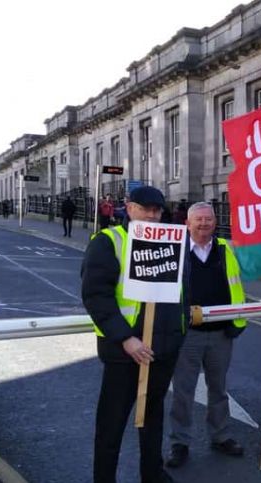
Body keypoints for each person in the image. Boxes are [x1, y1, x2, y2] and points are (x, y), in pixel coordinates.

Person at [81, 186, 185, 483]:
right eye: (146, 209)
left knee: (152, 421)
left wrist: (178, 335)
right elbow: (96, 296)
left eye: (157, 210)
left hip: (161, 350)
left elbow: (180, 293)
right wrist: (126, 338)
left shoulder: (171, 243)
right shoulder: (109, 241)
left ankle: (152, 474)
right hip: (124, 352)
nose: (152, 216)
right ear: (129, 208)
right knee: (111, 425)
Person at [166, 202, 247, 467]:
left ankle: (220, 435)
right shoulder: (175, 251)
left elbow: (239, 281)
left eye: (209, 219)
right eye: (199, 219)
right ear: (187, 224)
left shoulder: (226, 249)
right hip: (188, 334)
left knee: (219, 389)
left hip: (221, 331)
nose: (204, 224)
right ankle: (180, 442)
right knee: (183, 391)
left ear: (215, 222)